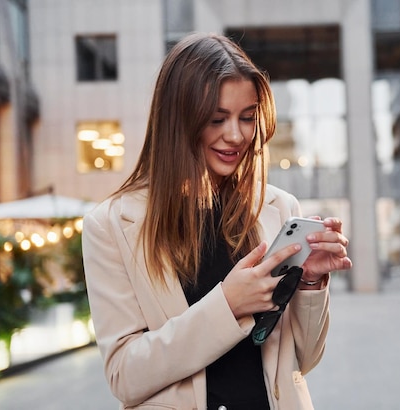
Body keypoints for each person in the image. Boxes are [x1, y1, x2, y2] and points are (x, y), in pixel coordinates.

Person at [81, 32, 352, 410]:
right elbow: (125, 376)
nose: (236, 135)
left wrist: (310, 283)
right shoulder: (110, 226)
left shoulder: (279, 208)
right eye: (217, 118)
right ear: (179, 120)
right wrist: (227, 305)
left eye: (247, 117)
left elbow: (301, 360)